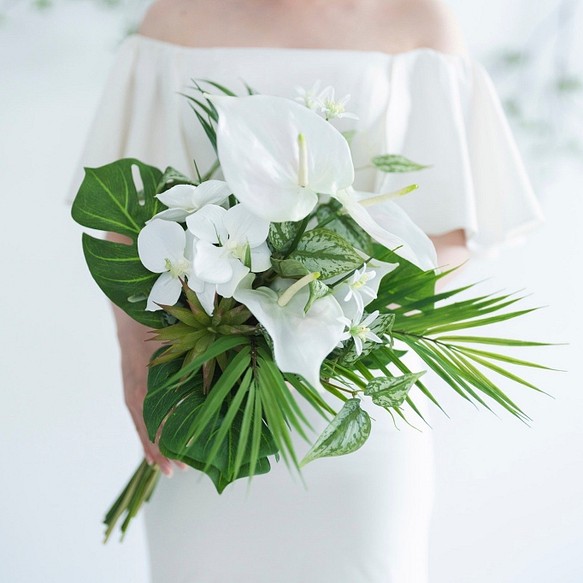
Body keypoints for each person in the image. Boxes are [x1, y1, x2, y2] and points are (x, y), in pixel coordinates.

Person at [75, 0, 544, 580]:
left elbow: (446, 228)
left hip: (353, 390)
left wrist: (342, 315)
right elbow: (127, 221)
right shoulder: (177, 15)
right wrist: (139, 353)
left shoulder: (417, 18)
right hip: (206, 382)